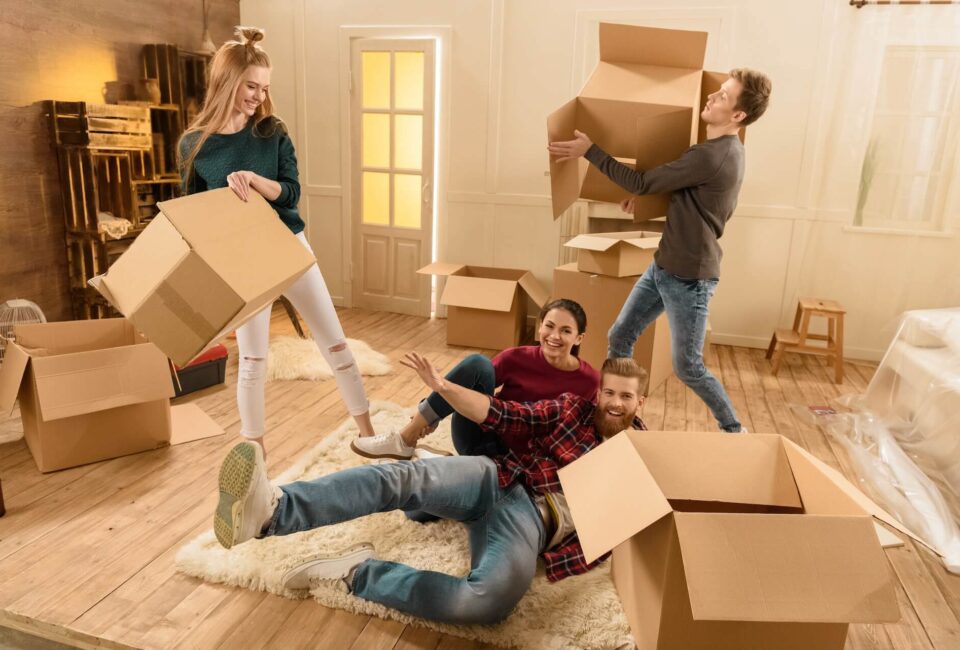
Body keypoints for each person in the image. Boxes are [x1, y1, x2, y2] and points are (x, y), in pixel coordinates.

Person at [212, 355, 648, 625]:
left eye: (625, 397)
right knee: (402, 478)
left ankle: (356, 573)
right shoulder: (573, 408)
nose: (614, 402)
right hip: (500, 478)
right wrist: (445, 389)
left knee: (486, 604)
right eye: (609, 391)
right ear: (599, 390)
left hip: (530, 526)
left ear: (640, 402)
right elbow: (506, 414)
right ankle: (273, 509)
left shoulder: (646, 459)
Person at [177, 27, 378, 453]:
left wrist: (254, 180)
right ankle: (255, 452)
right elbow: (193, 213)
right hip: (244, 260)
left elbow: (290, 192)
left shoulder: (272, 130)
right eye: (251, 86)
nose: (257, 96)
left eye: (264, 87)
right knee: (252, 361)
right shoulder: (194, 145)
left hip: (289, 246)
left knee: (336, 343)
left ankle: (369, 434)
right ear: (226, 82)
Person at [547, 68, 772, 433]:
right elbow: (695, 201)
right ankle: (617, 413)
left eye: (724, 97)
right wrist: (647, 203)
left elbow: (642, 181)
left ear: (738, 116)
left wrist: (590, 151)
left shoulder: (714, 155)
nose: (713, 96)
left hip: (689, 277)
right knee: (620, 336)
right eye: (718, 90)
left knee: (688, 366)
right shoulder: (721, 151)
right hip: (664, 265)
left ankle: (734, 430)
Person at [350, 298, 600, 461]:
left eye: (566, 331)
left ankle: (441, 461)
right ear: (539, 328)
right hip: (482, 438)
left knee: (422, 511)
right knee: (478, 364)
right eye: (550, 326)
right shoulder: (516, 358)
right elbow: (469, 381)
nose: (554, 336)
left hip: (530, 461)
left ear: (579, 338)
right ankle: (405, 439)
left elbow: (583, 434)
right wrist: (429, 415)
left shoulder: (589, 381)